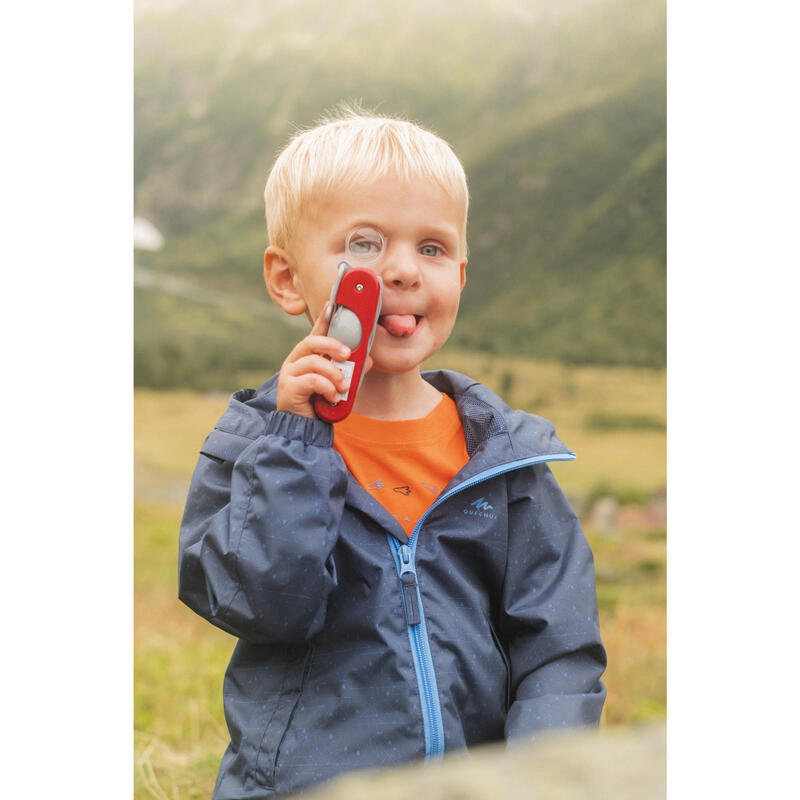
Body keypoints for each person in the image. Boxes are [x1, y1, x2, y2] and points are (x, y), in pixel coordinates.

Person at [178, 108, 606, 799]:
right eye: (366, 243)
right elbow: (263, 606)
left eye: (432, 249)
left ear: (462, 275)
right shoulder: (251, 449)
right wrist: (296, 447)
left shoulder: (506, 461)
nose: (404, 270)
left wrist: (539, 779)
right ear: (287, 279)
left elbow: (557, 645)